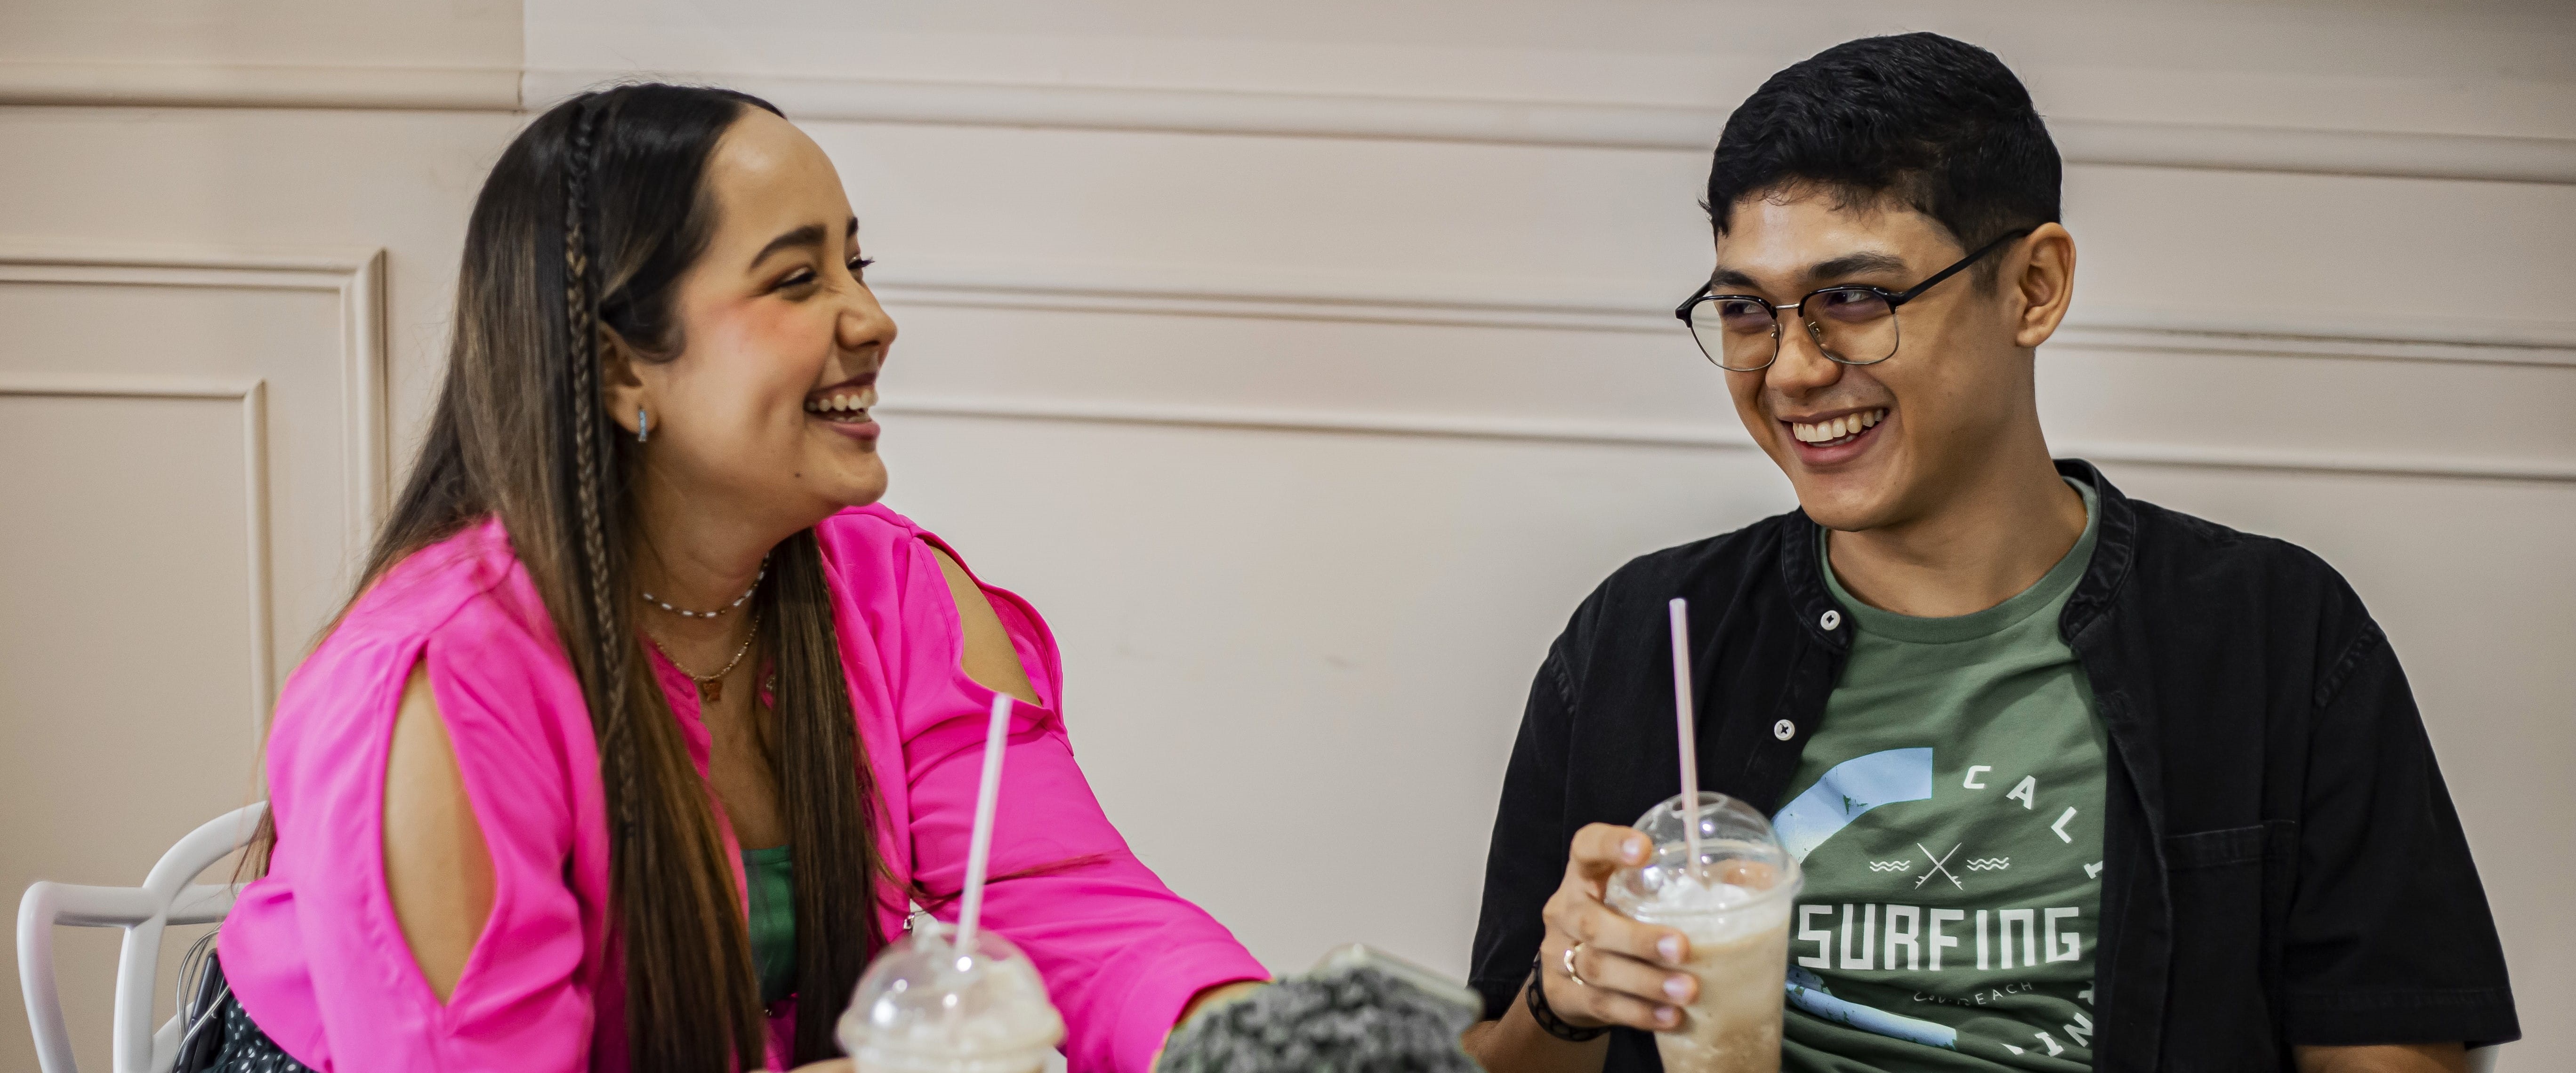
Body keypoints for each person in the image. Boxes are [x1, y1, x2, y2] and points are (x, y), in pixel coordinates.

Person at [1459, 33, 2517, 1073]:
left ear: (2033, 288)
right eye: (1746, 311)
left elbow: (2392, 1047)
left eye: (1855, 299)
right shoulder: (1639, 639)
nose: (1789, 371)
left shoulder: (2275, 634)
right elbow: (1488, 1054)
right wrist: (1563, 1002)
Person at [211, 84, 1265, 1073]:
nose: (875, 320)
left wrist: (1257, 1039)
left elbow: (1072, 907)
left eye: (857, 265)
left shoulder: (899, 592)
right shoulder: (438, 688)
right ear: (622, 366)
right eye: (798, 279)